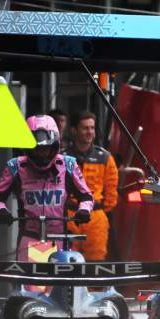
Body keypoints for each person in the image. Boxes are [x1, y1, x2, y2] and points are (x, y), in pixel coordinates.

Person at [0, 115, 93, 261]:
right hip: (28, 239)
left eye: (45, 149)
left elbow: (86, 196)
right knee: (27, 282)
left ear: (55, 145)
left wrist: (84, 210)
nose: (41, 153)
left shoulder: (68, 165)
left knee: (59, 282)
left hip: (59, 238)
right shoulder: (15, 166)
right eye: (36, 149)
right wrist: (1, 210)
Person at [66, 111, 119, 261]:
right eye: (85, 128)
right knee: (64, 262)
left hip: (95, 217)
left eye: (92, 128)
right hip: (69, 215)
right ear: (74, 130)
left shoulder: (105, 157)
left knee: (96, 263)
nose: (89, 132)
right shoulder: (62, 157)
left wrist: (99, 210)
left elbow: (111, 193)